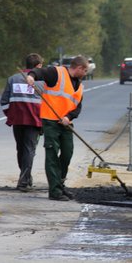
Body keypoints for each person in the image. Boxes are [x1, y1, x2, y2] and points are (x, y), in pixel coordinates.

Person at [25, 55, 88, 201]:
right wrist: (31, 77)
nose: (85, 74)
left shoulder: (79, 85)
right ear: (79, 68)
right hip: (50, 122)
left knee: (67, 153)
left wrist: (69, 118)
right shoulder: (56, 73)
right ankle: (55, 192)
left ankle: (60, 185)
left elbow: (77, 107)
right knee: (52, 155)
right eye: (85, 71)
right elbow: (38, 72)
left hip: (66, 124)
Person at [0, 53, 44, 192]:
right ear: (38, 66)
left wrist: (11, 115)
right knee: (29, 150)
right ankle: (24, 182)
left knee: (21, 149)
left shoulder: (13, 79)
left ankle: (26, 177)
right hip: (34, 121)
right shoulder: (42, 82)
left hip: (17, 120)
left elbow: (4, 101)